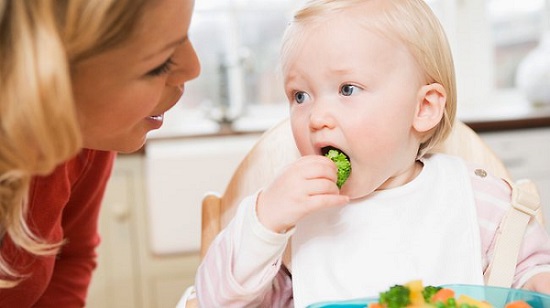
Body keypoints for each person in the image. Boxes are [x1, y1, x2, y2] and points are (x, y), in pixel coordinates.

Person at [194, 0, 550, 307]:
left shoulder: (480, 201)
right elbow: (216, 301)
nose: (316, 117)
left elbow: (528, 274)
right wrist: (265, 223)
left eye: (347, 89)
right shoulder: (291, 220)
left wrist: (536, 284)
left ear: (423, 107)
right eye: (300, 96)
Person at [0, 0, 200, 306]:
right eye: (159, 64)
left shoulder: (89, 137)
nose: (194, 69)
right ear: (46, 80)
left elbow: (71, 257)